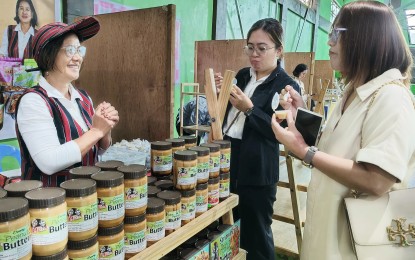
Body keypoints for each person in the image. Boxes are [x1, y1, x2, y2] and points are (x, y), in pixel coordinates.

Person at [271, 1, 415, 259]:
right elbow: (336, 148)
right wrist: (300, 114)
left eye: (337, 34)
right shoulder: (353, 93)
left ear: (365, 38)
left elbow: (378, 180)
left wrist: (305, 152)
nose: (329, 43)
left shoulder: (391, 97)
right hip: (327, 232)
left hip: (353, 245)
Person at [215, 18, 300, 260]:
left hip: (258, 167)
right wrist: (221, 95)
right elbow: (225, 117)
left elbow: (280, 131)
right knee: (227, 227)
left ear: (279, 50)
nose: (254, 54)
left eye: (262, 48)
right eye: (250, 47)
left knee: (256, 235)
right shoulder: (242, 75)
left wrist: (249, 108)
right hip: (229, 159)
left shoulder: (286, 86)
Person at [15, 17, 119, 187]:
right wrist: (96, 131)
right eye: (70, 50)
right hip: (51, 206)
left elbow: (95, 152)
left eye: (80, 50)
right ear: (49, 54)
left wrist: (105, 130)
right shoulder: (33, 101)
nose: (78, 58)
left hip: (86, 201)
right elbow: (48, 162)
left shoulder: (83, 98)